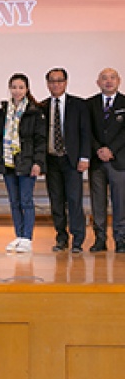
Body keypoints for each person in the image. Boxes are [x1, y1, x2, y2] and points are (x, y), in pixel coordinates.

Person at [0, 73, 46, 254]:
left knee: (26, 201)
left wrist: (38, 162)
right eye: (14, 87)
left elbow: (40, 140)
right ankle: (19, 236)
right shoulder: (2, 112)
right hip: (8, 162)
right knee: (14, 201)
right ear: (9, 88)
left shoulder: (35, 112)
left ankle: (27, 238)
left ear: (27, 89)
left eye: (21, 87)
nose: (17, 91)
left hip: (27, 162)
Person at [42, 68, 90, 254]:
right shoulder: (42, 106)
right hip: (51, 160)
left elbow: (85, 132)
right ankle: (61, 238)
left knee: (74, 200)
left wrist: (84, 157)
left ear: (66, 82)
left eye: (59, 80)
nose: (56, 84)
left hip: (72, 160)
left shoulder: (79, 105)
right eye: (52, 81)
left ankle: (78, 239)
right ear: (47, 84)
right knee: (56, 201)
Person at [87, 68, 125, 253]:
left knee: (120, 202)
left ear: (119, 81)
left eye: (112, 78)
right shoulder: (89, 104)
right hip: (97, 161)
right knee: (98, 202)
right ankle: (100, 239)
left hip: (119, 160)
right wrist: (98, 150)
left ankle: (121, 239)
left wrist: (111, 150)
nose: (108, 81)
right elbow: (87, 131)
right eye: (104, 78)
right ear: (98, 82)